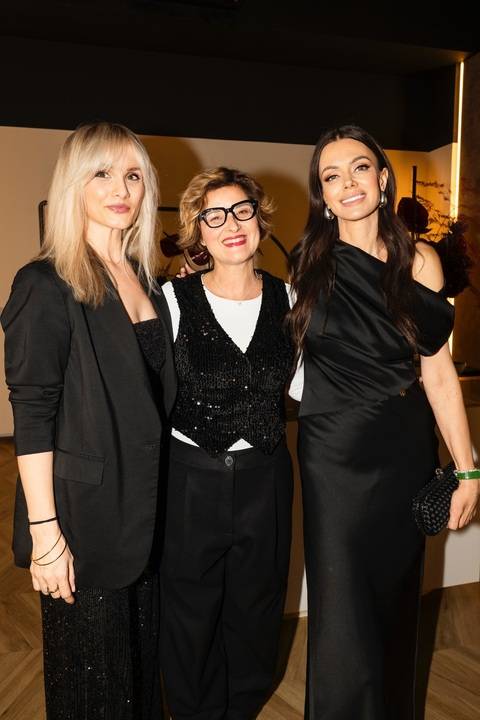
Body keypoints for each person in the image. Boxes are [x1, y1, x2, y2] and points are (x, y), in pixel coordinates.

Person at [288, 124, 479, 720]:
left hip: (402, 452)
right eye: (332, 176)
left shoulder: (420, 261)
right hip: (333, 456)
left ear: (382, 177)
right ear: (322, 193)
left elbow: (438, 375)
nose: (348, 184)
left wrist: (468, 470)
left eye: (360, 168)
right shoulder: (308, 263)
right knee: (341, 611)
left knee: (396, 604)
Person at [1, 122, 176, 719]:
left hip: (144, 515)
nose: (120, 189)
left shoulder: (144, 278)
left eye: (133, 175)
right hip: (82, 524)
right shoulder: (44, 283)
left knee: (138, 681)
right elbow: (32, 412)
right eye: (102, 173)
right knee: (94, 693)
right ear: (73, 183)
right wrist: (46, 536)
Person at [156, 167, 295, 720]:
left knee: (257, 607)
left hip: (267, 475)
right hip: (191, 476)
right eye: (214, 216)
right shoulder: (171, 299)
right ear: (198, 230)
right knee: (189, 610)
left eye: (241, 211)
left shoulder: (291, 298)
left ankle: (242, 709)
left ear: (260, 219)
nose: (231, 225)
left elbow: (310, 386)